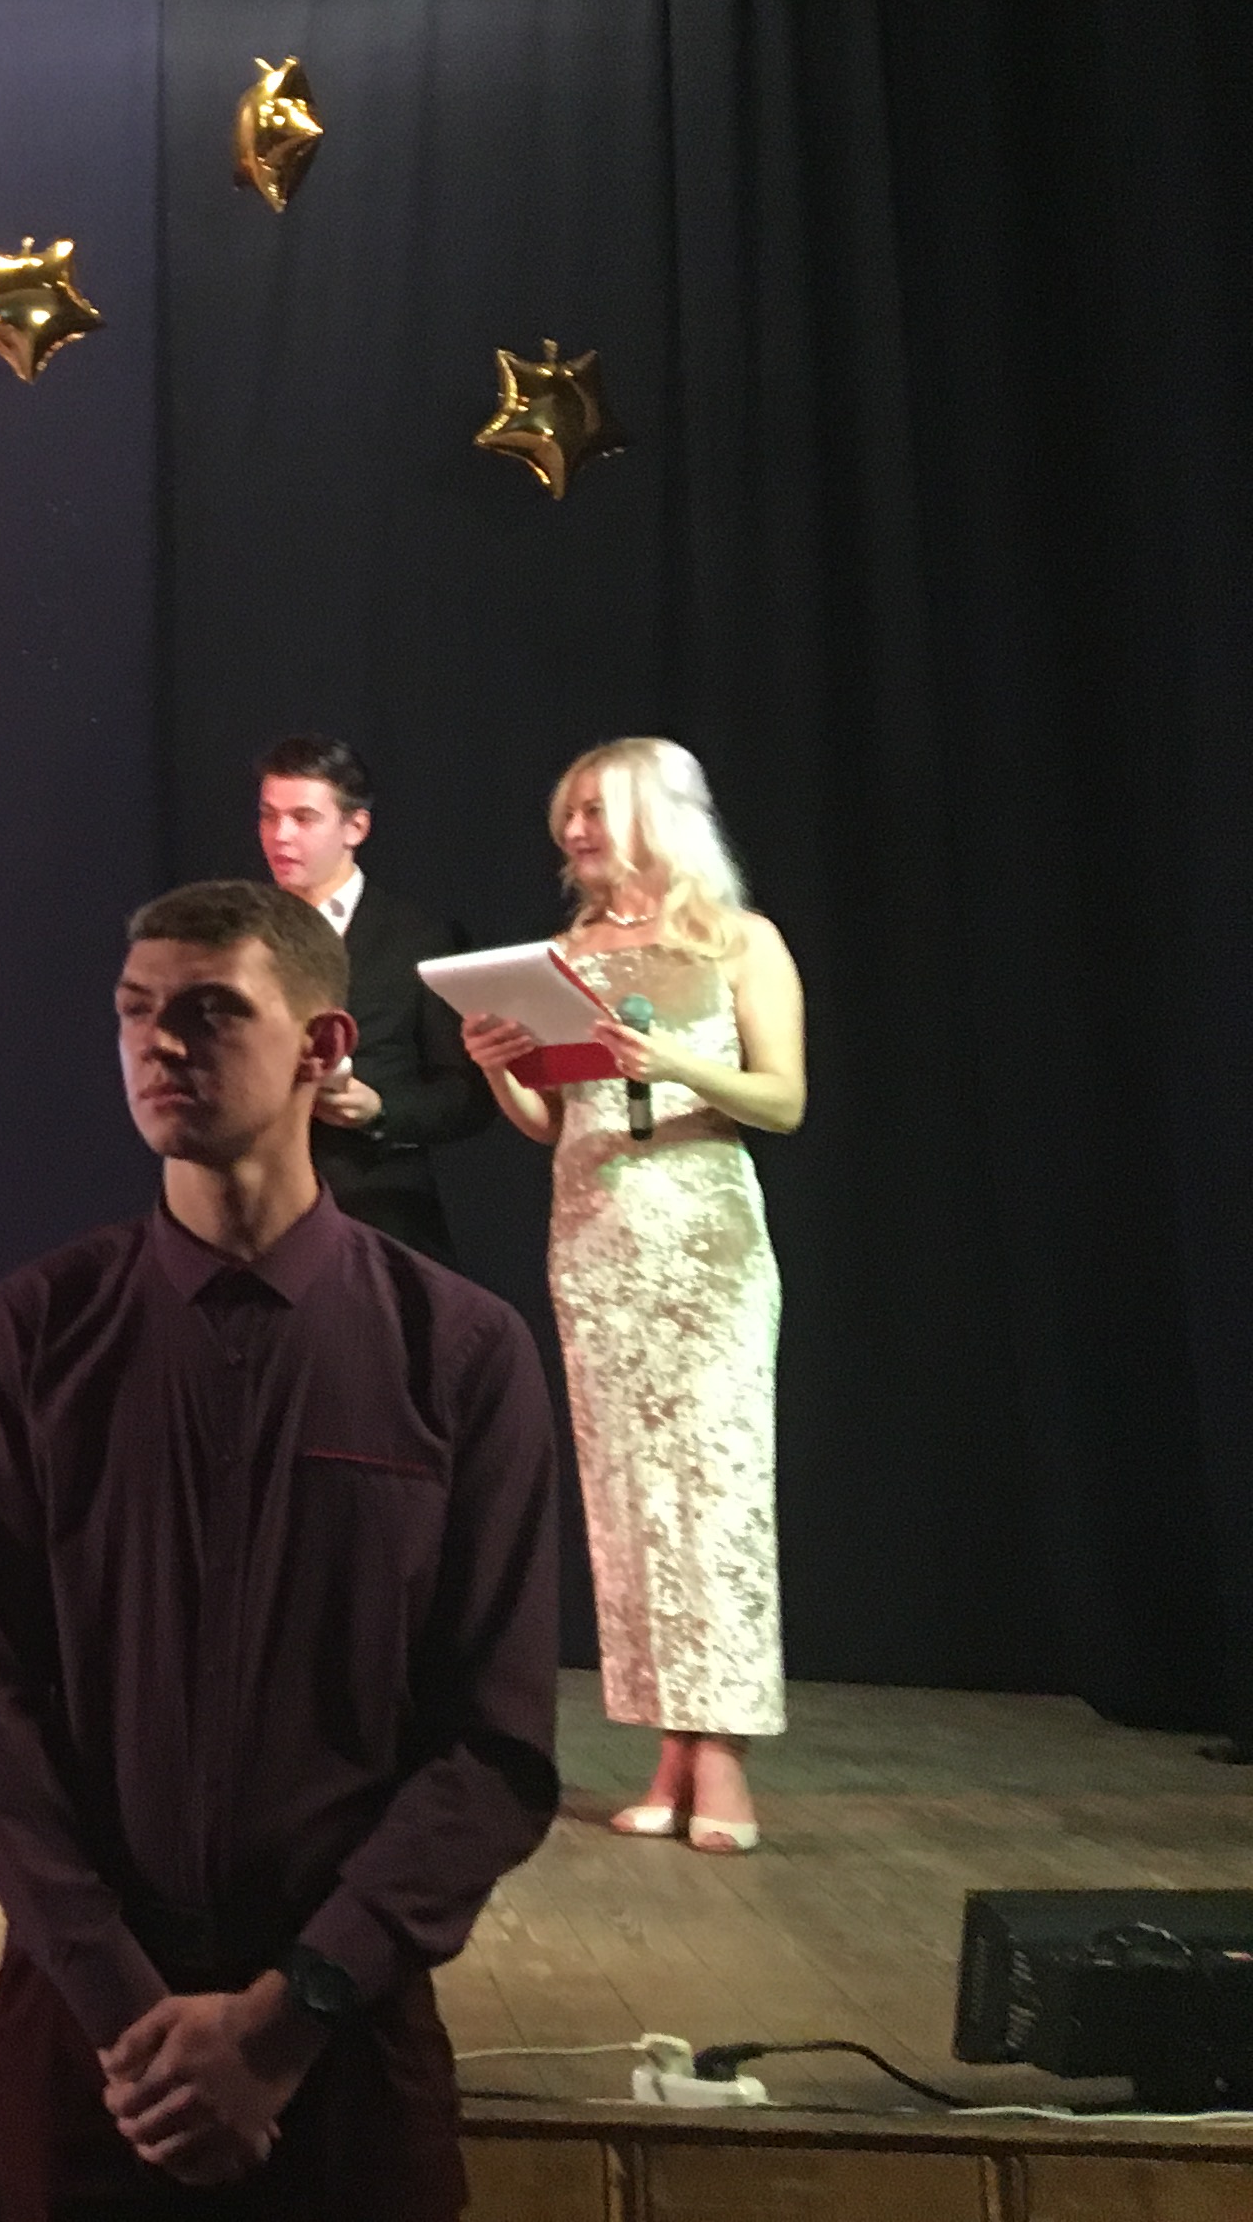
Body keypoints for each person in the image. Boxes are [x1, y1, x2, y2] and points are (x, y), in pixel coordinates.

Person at [0, 879, 559, 2220]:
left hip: (342, 2059)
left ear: (323, 1047)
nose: (160, 1044)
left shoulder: (461, 1354)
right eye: (135, 1012)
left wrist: (290, 2017)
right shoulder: (42, 1332)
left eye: (212, 1011)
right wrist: (125, 2008)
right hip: (96, 2060)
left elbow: (498, 1747)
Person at [458, 737, 807, 1856]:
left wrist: (679, 1068)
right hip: (594, 1243)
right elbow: (548, 1122)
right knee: (627, 1502)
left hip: (705, 1244)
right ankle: (668, 1749)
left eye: (597, 810)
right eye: (569, 812)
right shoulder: (563, 957)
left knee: (718, 1492)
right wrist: (496, 1063)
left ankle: (725, 1754)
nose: (576, 831)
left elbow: (784, 1101)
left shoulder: (740, 940)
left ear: (662, 816)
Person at [254, 736, 489, 1264]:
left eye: (303, 818)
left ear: (355, 827)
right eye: (269, 816)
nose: (280, 835)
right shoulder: (240, 935)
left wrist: (379, 1110)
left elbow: (466, 1096)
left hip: (377, 1215)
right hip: (258, 1214)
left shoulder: (417, 937)